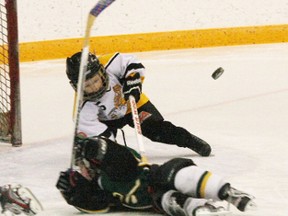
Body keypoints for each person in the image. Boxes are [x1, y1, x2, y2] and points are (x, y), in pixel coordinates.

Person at [56, 136, 256, 215]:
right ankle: (201, 210)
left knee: (175, 173)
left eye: (81, 165)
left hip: (154, 176)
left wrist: (97, 148)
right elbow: (96, 205)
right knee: (165, 199)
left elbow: (121, 160)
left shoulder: (118, 165)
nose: (81, 171)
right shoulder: (101, 187)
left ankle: (227, 192)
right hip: (153, 198)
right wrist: (72, 193)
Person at [65, 51, 211, 157]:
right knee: (103, 150)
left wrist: (133, 82)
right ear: (76, 86)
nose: (94, 87)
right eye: (87, 85)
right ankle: (82, 144)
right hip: (106, 121)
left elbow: (133, 65)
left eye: (95, 80)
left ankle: (190, 140)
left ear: (102, 71)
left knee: (157, 130)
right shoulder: (82, 108)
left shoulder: (110, 63)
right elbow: (97, 132)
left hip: (132, 104)